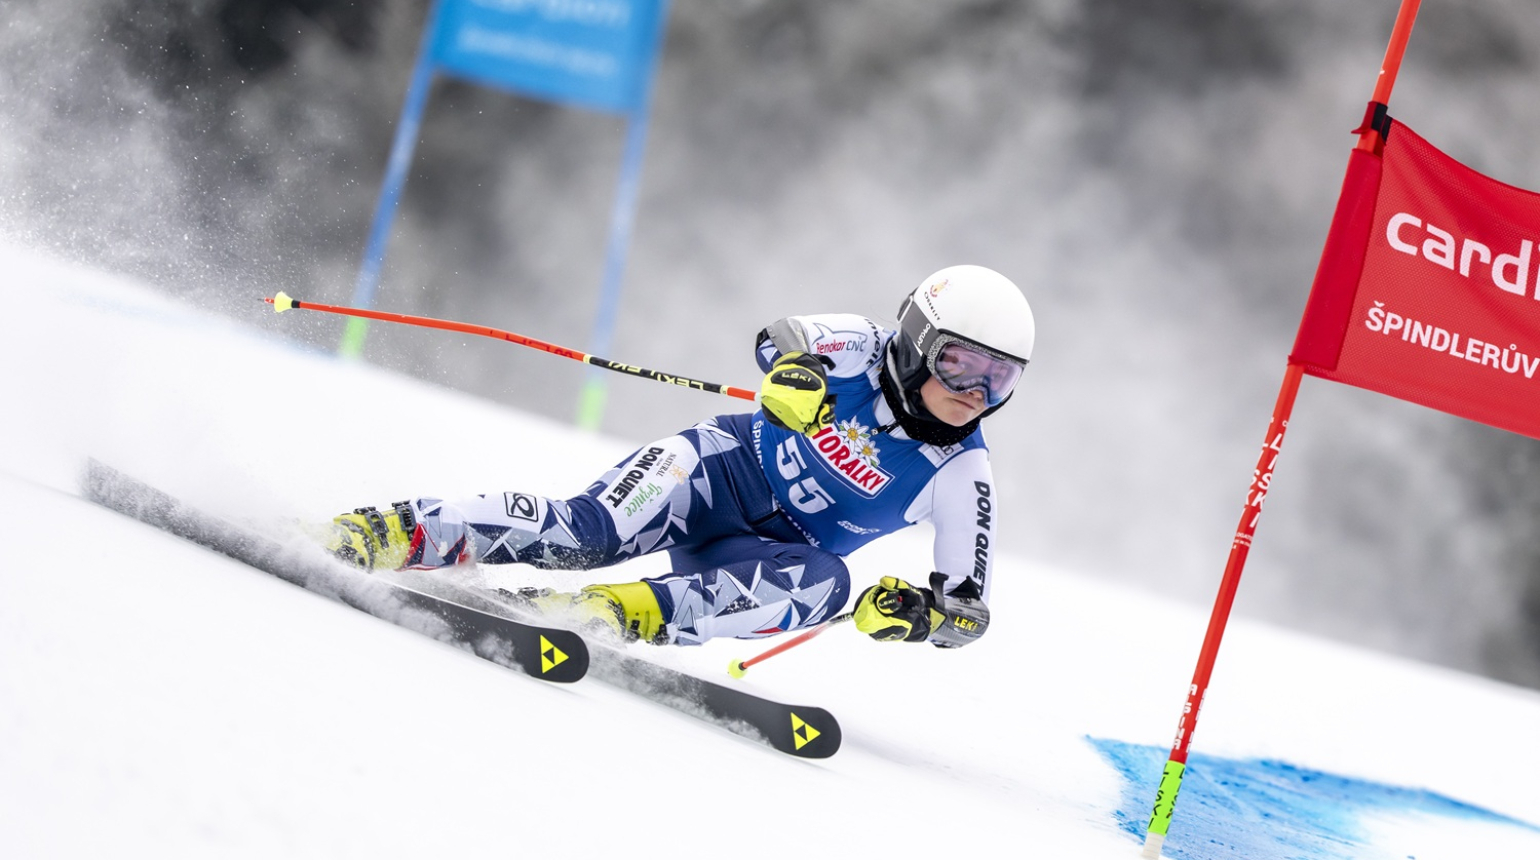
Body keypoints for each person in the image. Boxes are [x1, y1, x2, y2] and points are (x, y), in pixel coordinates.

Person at [326, 264, 1035, 649]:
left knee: (826, 586)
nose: (974, 390)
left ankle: (609, 613)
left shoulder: (963, 474)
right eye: (959, 363)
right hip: (712, 472)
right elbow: (781, 337)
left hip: (762, 561)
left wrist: (914, 615)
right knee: (584, 533)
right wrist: (799, 377)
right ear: (915, 341)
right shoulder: (865, 342)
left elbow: (965, 611)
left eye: (998, 377)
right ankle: (396, 530)